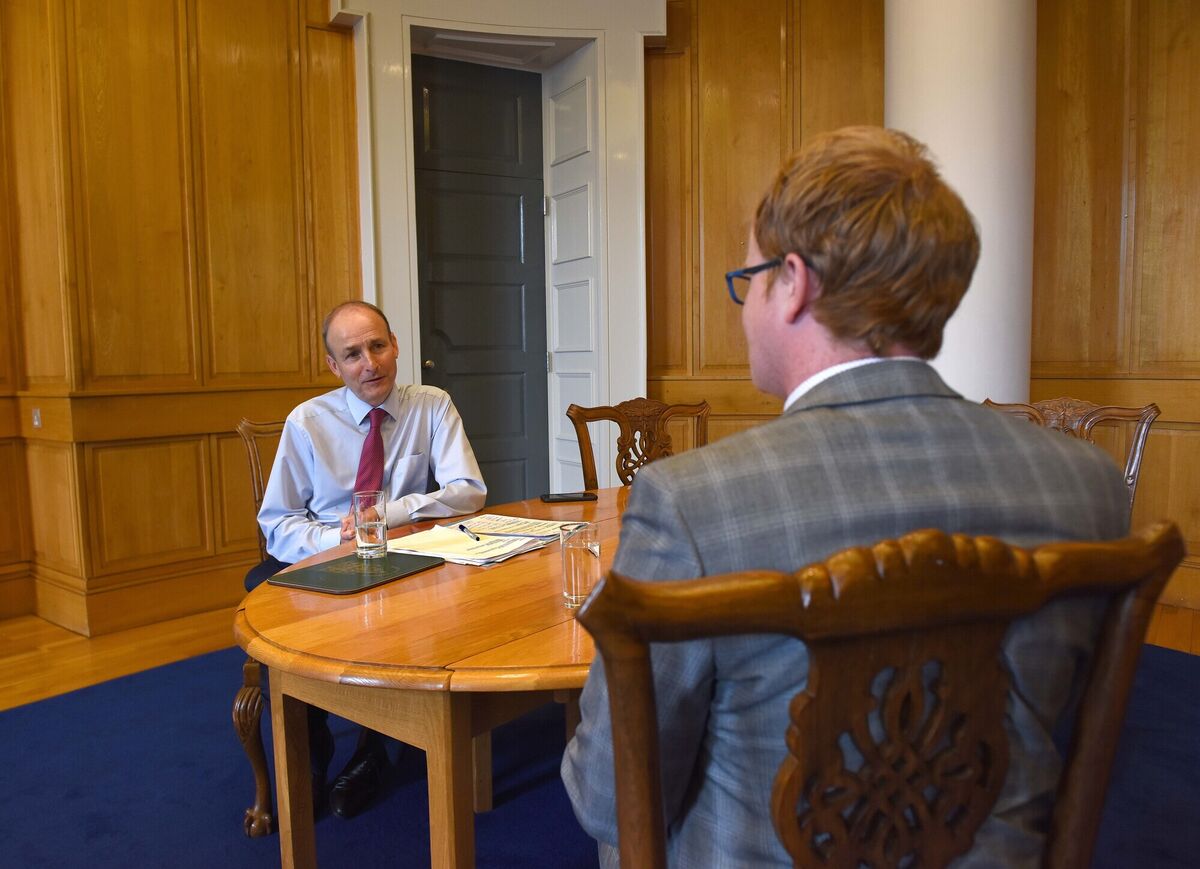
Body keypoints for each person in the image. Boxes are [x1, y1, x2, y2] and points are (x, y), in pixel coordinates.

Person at [561, 127, 1129, 867]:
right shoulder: (1090, 487)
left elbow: (610, 796)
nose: (743, 309)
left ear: (793, 281)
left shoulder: (691, 502)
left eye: (748, 281)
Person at [254, 299, 486, 818]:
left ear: (395, 346)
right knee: (282, 628)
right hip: (324, 551)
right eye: (352, 354)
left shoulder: (432, 405)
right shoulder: (308, 421)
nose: (370, 363)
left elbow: (468, 491)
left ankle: (376, 749)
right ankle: (309, 758)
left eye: (377, 346)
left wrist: (385, 512)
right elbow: (276, 522)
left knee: (442, 610)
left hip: (402, 553)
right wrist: (335, 542)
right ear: (334, 366)